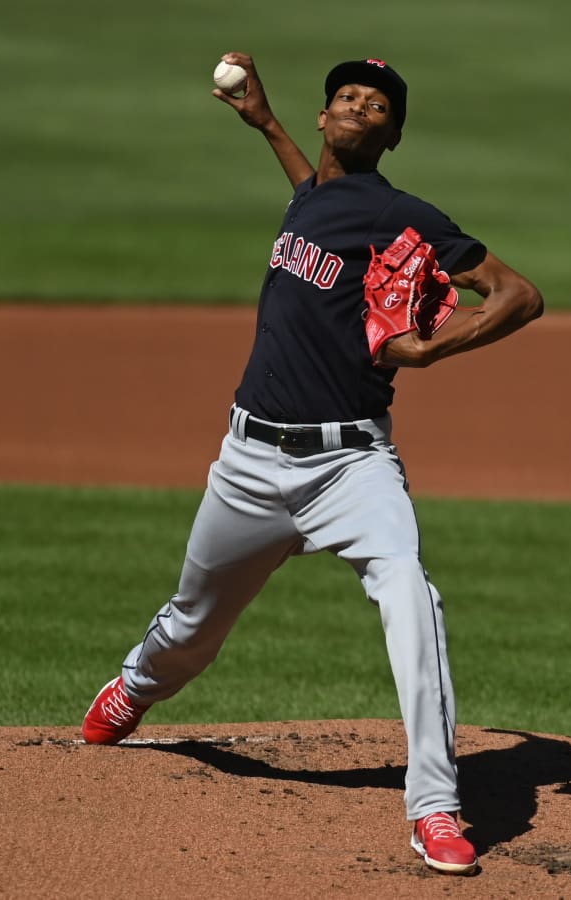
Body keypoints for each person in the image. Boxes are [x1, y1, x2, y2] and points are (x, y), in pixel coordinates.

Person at [81, 53, 543, 875]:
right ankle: (137, 685)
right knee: (192, 623)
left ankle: (435, 805)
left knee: (411, 594)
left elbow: (516, 295)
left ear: (394, 133)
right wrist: (262, 122)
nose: (360, 106)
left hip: (351, 467)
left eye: (378, 104)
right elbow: (311, 193)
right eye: (347, 98)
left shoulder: (404, 215)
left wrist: (430, 349)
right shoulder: (312, 198)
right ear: (327, 119)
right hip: (248, 463)